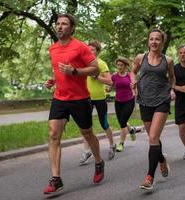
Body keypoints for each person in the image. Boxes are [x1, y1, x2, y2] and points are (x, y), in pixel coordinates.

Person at [43, 14, 104, 195]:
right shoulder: (52, 49)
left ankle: (99, 162)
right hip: (60, 98)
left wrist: (75, 71)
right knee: (54, 134)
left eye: (64, 24)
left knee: (87, 133)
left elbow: (95, 69)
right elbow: (58, 70)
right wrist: (53, 80)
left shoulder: (80, 47)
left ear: (72, 28)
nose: (60, 27)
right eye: (58, 24)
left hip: (79, 98)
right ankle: (56, 178)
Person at [131, 29, 176, 191]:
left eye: (157, 39)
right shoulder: (140, 58)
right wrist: (133, 82)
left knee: (153, 137)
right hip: (144, 100)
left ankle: (150, 177)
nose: (154, 42)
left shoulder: (168, 60)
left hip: (162, 100)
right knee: (153, 137)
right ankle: (161, 160)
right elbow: (133, 71)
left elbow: (172, 77)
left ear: (162, 43)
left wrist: (172, 90)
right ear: (148, 41)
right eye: (151, 39)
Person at [79, 40, 116, 165]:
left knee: (104, 123)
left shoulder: (101, 64)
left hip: (99, 98)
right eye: (88, 49)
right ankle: (87, 151)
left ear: (97, 51)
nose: (90, 51)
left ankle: (112, 145)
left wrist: (97, 77)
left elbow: (110, 82)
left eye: (93, 50)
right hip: (86, 98)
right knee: (86, 126)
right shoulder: (84, 64)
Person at [108, 57, 137, 152]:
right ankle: (131, 130)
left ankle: (121, 143)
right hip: (118, 101)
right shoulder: (114, 76)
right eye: (118, 65)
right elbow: (112, 86)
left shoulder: (129, 76)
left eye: (121, 65)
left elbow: (134, 85)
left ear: (125, 66)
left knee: (123, 123)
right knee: (121, 121)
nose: (119, 67)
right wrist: (108, 89)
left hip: (129, 101)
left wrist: (134, 88)